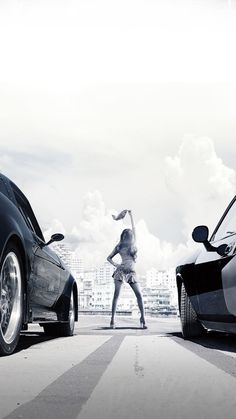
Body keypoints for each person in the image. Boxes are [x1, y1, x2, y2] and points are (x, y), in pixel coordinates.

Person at [107, 209, 147, 329]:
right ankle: (112, 320)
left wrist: (131, 215)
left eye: (127, 235)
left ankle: (143, 318)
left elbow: (134, 229)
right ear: (122, 237)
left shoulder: (133, 245)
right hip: (120, 271)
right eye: (124, 235)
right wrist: (116, 265)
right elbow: (108, 258)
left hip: (131, 272)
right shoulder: (119, 246)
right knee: (116, 295)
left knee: (139, 294)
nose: (125, 237)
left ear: (129, 237)